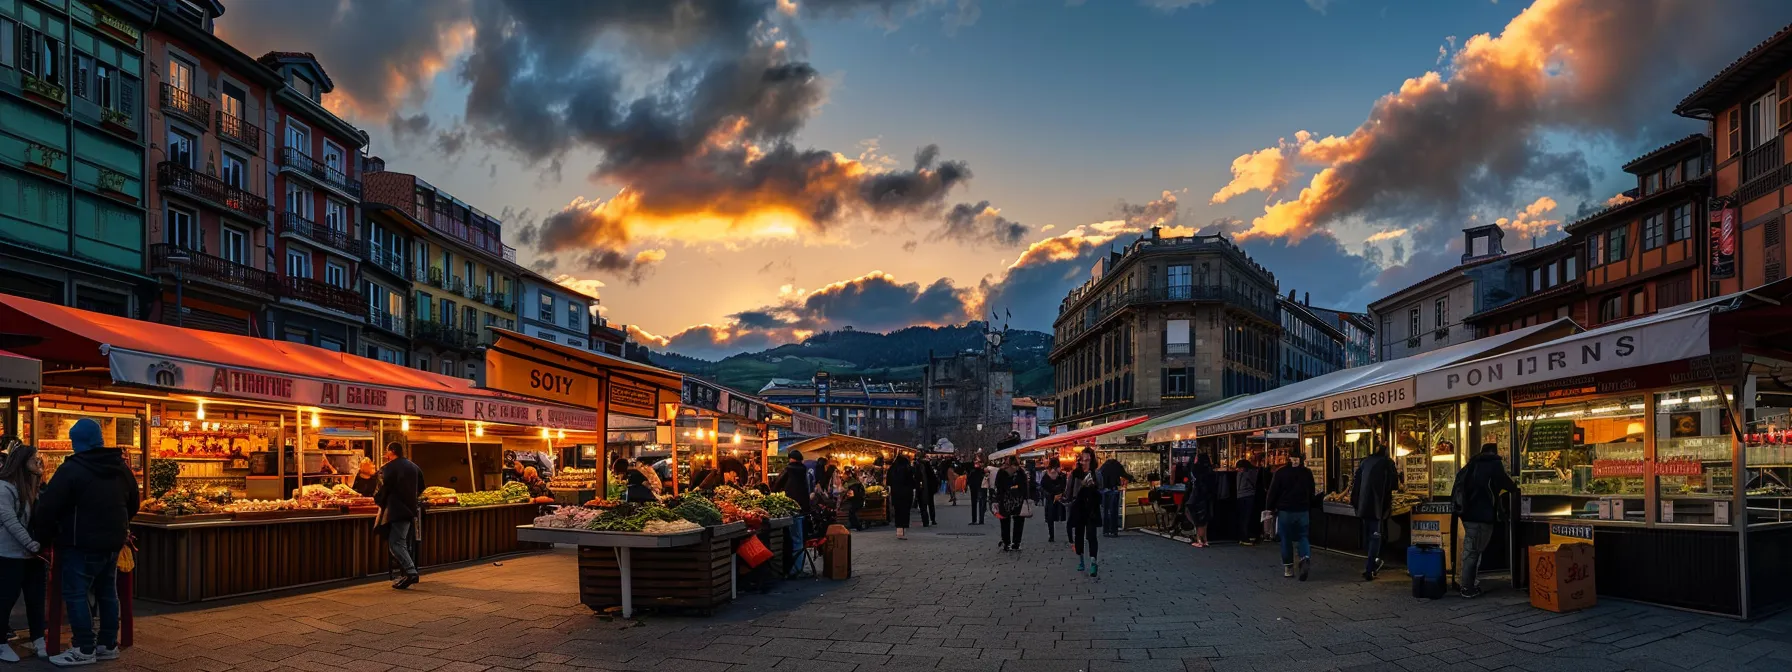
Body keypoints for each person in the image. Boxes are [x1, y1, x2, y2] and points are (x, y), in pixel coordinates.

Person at [32, 419, 138, 666]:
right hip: (113, 542)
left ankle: (84, 647)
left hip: (79, 543)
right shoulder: (121, 467)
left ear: (77, 441)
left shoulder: (73, 468)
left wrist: (43, 539)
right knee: (107, 593)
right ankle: (107, 644)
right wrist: (118, 527)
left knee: (76, 593)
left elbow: (49, 507)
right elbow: (134, 502)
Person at [1453, 443, 1518, 598]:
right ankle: (1467, 587)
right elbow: (1505, 483)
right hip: (1481, 514)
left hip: (1467, 514)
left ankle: (1469, 582)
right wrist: (1515, 487)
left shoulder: (1471, 464)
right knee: (1473, 551)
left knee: (1472, 549)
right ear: (1494, 452)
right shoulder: (1493, 464)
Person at [0, 443, 46, 661]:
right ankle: (0, 642)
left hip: (31, 555)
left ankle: (39, 638)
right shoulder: (4, 488)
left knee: (36, 598)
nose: (39, 462)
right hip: (9, 554)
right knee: (6, 598)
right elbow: (10, 521)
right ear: (21, 462)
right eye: (34, 459)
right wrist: (31, 543)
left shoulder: (33, 487)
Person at [373, 443, 424, 590]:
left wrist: (380, 501)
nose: (386, 454)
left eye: (387, 451)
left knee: (396, 543)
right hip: (410, 509)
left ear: (392, 452)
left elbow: (380, 490)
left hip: (394, 510)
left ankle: (410, 572)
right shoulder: (414, 467)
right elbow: (421, 487)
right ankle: (407, 572)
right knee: (401, 542)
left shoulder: (387, 468)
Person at [1352, 443, 1399, 582]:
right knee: (1375, 536)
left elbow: (1356, 484)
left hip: (1362, 506)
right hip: (1377, 507)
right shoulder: (1387, 463)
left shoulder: (1365, 462)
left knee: (1369, 536)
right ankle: (1370, 568)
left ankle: (1372, 563)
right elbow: (1394, 485)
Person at [1266, 451, 1316, 581]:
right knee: (1303, 536)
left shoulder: (1280, 473)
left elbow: (1273, 491)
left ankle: (1288, 568)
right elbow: (1312, 492)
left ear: (1289, 458)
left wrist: (1270, 508)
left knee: (1286, 539)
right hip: (1302, 510)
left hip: (1285, 511)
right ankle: (1304, 557)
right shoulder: (1307, 473)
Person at [994, 457, 1032, 551]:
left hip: (1012, 500)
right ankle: (1010, 542)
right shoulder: (1007, 472)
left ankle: (1012, 542)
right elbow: (999, 486)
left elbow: (1024, 485)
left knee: (1013, 521)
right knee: (1009, 521)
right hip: (1009, 499)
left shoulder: (1017, 472)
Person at [1069, 471, 1101, 577]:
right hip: (1079, 509)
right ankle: (1081, 560)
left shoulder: (1095, 473)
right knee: (1079, 536)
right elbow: (1070, 489)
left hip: (1091, 511)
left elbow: (1099, 496)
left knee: (1091, 536)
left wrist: (1094, 487)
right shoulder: (1075, 474)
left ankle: (1093, 562)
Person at [1097, 453, 1133, 537]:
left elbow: (1098, 476)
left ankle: (1106, 531)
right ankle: (1114, 531)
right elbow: (1125, 475)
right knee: (1114, 512)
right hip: (1114, 490)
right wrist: (1131, 478)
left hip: (1105, 491)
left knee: (1106, 511)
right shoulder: (1117, 465)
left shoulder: (1103, 467)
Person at [1186, 453, 1216, 548]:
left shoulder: (1196, 468)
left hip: (1198, 495)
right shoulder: (1210, 470)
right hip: (1208, 495)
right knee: (1204, 518)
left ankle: (1200, 540)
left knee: (1197, 518)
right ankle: (1205, 540)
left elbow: (1194, 480)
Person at [1235, 458, 1266, 546]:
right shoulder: (1253, 473)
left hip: (1242, 496)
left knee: (1243, 517)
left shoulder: (1242, 474)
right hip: (1248, 495)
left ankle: (1244, 536)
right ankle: (1246, 535)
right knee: (1246, 517)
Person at [888, 454, 916, 540]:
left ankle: (899, 531)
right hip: (906, 494)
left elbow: (888, 482)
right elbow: (912, 482)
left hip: (896, 494)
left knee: (898, 512)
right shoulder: (908, 469)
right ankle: (903, 531)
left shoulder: (892, 469)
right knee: (905, 512)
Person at [1038, 460, 1066, 543]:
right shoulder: (1061, 475)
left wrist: (1047, 494)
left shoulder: (1046, 475)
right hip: (1058, 498)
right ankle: (1066, 534)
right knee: (1057, 515)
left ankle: (1051, 536)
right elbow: (1064, 486)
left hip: (1051, 499)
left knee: (1050, 518)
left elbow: (1042, 487)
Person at [916, 457, 939, 527]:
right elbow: (935, 480)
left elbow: (917, 480)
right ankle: (932, 519)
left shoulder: (919, 469)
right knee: (931, 505)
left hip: (923, 490)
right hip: (929, 490)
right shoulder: (930, 471)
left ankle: (925, 521)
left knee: (923, 506)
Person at [966, 457, 988, 525]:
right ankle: (975, 520)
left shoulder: (981, 470)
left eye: (978, 462)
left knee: (980, 503)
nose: (977, 463)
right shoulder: (972, 470)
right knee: (977, 503)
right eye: (976, 462)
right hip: (976, 487)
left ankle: (980, 520)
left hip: (980, 487)